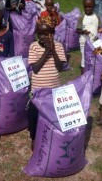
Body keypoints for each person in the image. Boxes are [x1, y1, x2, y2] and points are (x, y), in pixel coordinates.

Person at [28, 21, 66, 151]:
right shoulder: (34, 46)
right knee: (34, 115)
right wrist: (46, 52)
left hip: (53, 89)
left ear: (53, 34)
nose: (43, 37)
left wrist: (53, 50)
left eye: (46, 34)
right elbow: (36, 68)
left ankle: (50, 136)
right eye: (40, 34)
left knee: (51, 115)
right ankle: (33, 137)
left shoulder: (59, 46)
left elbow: (60, 67)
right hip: (37, 90)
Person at [76, 0, 102, 74]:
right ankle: (83, 76)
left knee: (99, 56)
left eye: (90, 7)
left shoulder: (97, 16)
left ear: (94, 6)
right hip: (84, 42)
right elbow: (77, 30)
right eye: (86, 7)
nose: (87, 9)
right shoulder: (82, 17)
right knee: (84, 60)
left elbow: (99, 28)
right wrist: (83, 31)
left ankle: (96, 73)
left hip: (95, 41)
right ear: (83, 6)